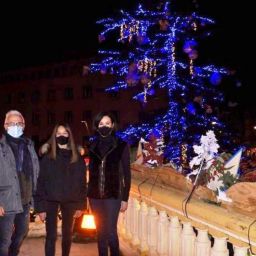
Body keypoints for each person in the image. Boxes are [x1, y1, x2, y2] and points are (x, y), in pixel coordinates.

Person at [34, 123, 87, 256]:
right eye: (58, 133)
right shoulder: (47, 157)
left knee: (67, 235)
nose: (61, 136)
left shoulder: (77, 158)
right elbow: (40, 182)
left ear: (69, 135)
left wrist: (81, 205)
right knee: (51, 236)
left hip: (71, 200)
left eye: (65, 133)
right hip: (50, 200)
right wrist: (40, 207)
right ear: (54, 136)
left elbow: (82, 183)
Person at [87, 112, 131, 256]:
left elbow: (127, 173)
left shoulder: (121, 145)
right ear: (97, 126)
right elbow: (91, 172)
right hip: (95, 196)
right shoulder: (92, 146)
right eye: (101, 124)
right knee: (100, 232)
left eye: (107, 123)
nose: (104, 126)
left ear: (112, 125)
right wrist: (88, 193)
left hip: (113, 194)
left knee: (111, 231)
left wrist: (125, 198)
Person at [0, 110, 40, 256]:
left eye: (18, 123)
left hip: (24, 200)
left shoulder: (29, 146)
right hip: (6, 202)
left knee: (21, 233)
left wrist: (35, 198)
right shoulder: (1, 147)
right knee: (4, 241)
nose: (15, 126)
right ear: (5, 125)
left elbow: (35, 172)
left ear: (23, 125)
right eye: (12, 123)